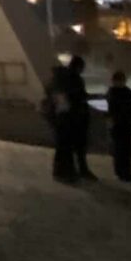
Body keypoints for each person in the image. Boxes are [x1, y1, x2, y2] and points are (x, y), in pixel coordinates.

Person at [44, 56, 90, 184]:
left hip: (62, 117)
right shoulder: (71, 79)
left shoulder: (59, 78)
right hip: (67, 118)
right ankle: (66, 173)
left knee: (63, 146)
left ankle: (62, 172)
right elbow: (76, 97)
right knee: (66, 146)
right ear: (78, 67)